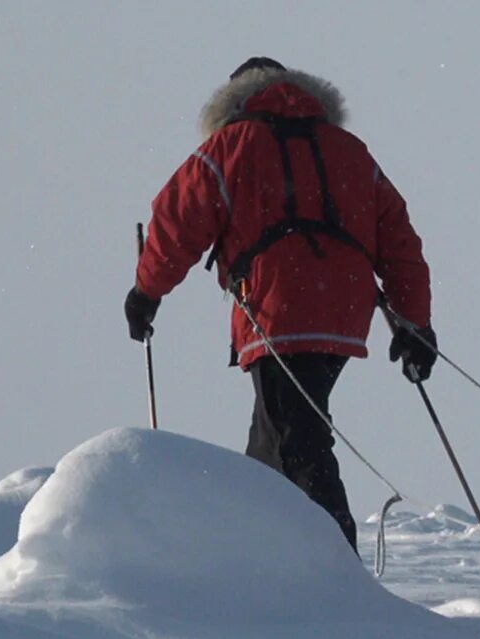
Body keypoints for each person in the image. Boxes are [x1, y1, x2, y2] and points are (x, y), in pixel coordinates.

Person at [126, 57, 435, 549]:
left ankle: (334, 572)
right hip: (343, 314)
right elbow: (399, 240)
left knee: (297, 447)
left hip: (277, 308)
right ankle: (258, 556)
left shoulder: (230, 145)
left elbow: (177, 220)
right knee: (274, 443)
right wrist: (414, 324)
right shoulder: (349, 151)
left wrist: (147, 292)